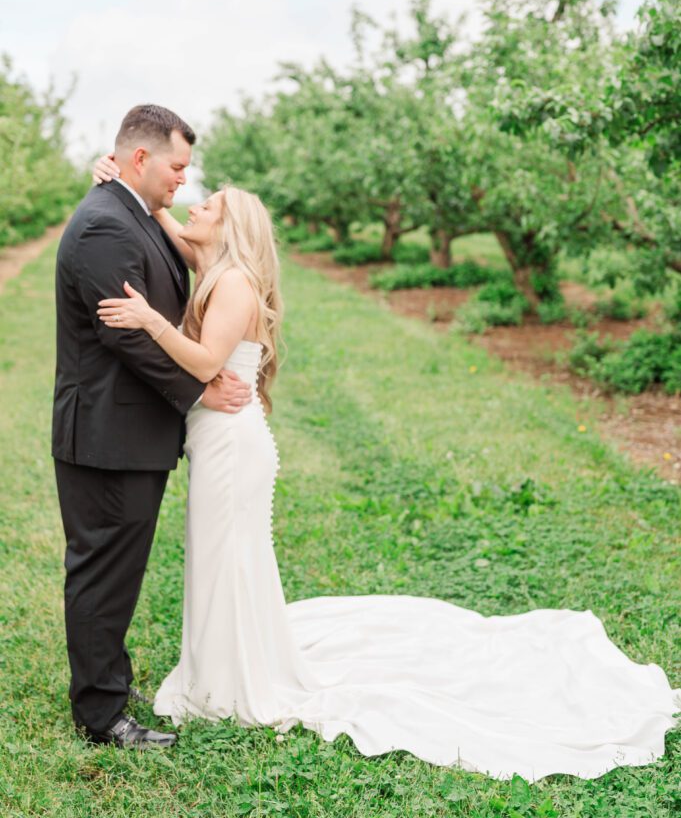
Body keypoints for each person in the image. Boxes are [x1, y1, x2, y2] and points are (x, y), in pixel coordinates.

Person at [91, 154, 680, 781]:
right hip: (218, 440)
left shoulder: (233, 282)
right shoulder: (209, 261)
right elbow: (155, 208)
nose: (193, 204)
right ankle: (224, 664)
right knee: (220, 557)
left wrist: (152, 320)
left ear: (230, 228)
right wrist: (119, 175)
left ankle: (236, 677)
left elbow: (208, 364)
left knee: (228, 556)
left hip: (234, 448)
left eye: (207, 205)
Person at [52, 105, 253, 750]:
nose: (182, 181)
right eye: (176, 166)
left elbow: (178, 271)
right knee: (102, 570)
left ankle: (108, 681)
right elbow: (125, 339)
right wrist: (199, 388)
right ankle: (102, 716)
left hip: (126, 432)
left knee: (118, 569)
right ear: (140, 158)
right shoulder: (106, 226)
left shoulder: (128, 212)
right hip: (108, 435)